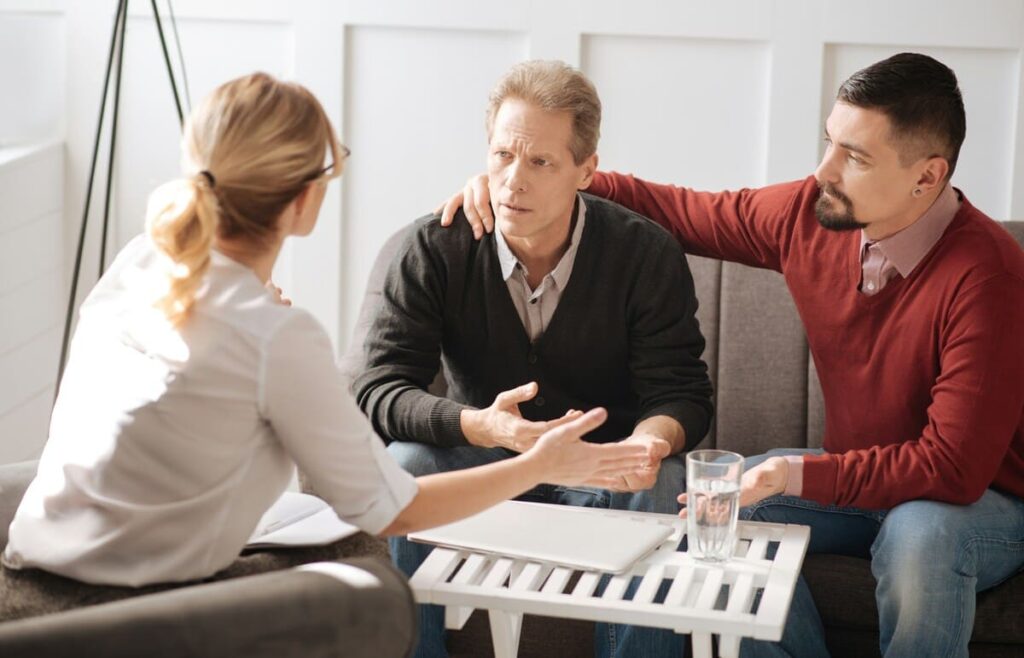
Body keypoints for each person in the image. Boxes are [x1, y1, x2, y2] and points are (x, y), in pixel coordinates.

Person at [441, 52, 1024, 658]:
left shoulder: (989, 275)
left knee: (918, 535)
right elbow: (680, 211)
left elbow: (951, 468)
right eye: (830, 143)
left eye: (854, 157)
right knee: (710, 511)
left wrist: (794, 473)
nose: (822, 171)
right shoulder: (810, 215)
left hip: (977, 500)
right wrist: (526, 184)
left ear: (926, 177)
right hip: (856, 473)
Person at [1, 72, 650, 595]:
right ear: (306, 201)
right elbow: (393, 510)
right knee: (368, 597)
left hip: (32, 574)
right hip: (134, 613)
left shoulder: (142, 261)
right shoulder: (274, 335)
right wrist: (539, 463)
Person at [354, 60, 713, 658]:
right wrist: (483, 425)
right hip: (488, 466)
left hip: (603, 471)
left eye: (541, 162)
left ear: (586, 170)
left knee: (666, 481)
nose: (513, 180)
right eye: (501, 155)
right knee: (410, 461)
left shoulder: (644, 253)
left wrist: (649, 443)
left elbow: (681, 393)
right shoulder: (432, 248)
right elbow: (377, 387)